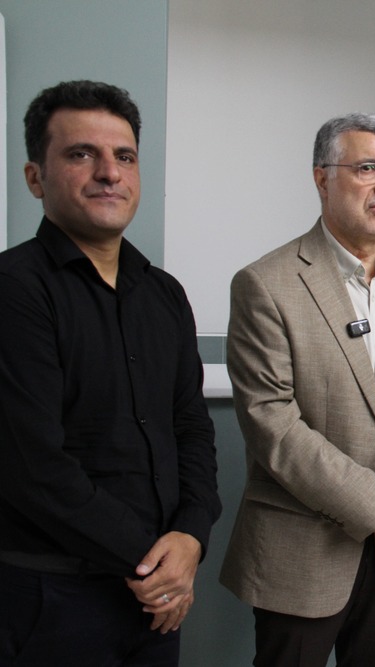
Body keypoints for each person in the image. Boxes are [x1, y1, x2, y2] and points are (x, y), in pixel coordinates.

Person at [219, 112, 375, 667]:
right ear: (322, 178)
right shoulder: (266, 284)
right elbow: (271, 421)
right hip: (302, 554)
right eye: (368, 169)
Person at [0, 80, 220, 665]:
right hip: (53, 597)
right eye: (82, 154)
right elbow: (34, 467)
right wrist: (154, 563)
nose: (109, 173)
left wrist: (191, 538)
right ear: (34, 178)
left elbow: (191, 429)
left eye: (124, 156)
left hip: (157, 597)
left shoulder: (164, 294)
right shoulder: (14, 290)